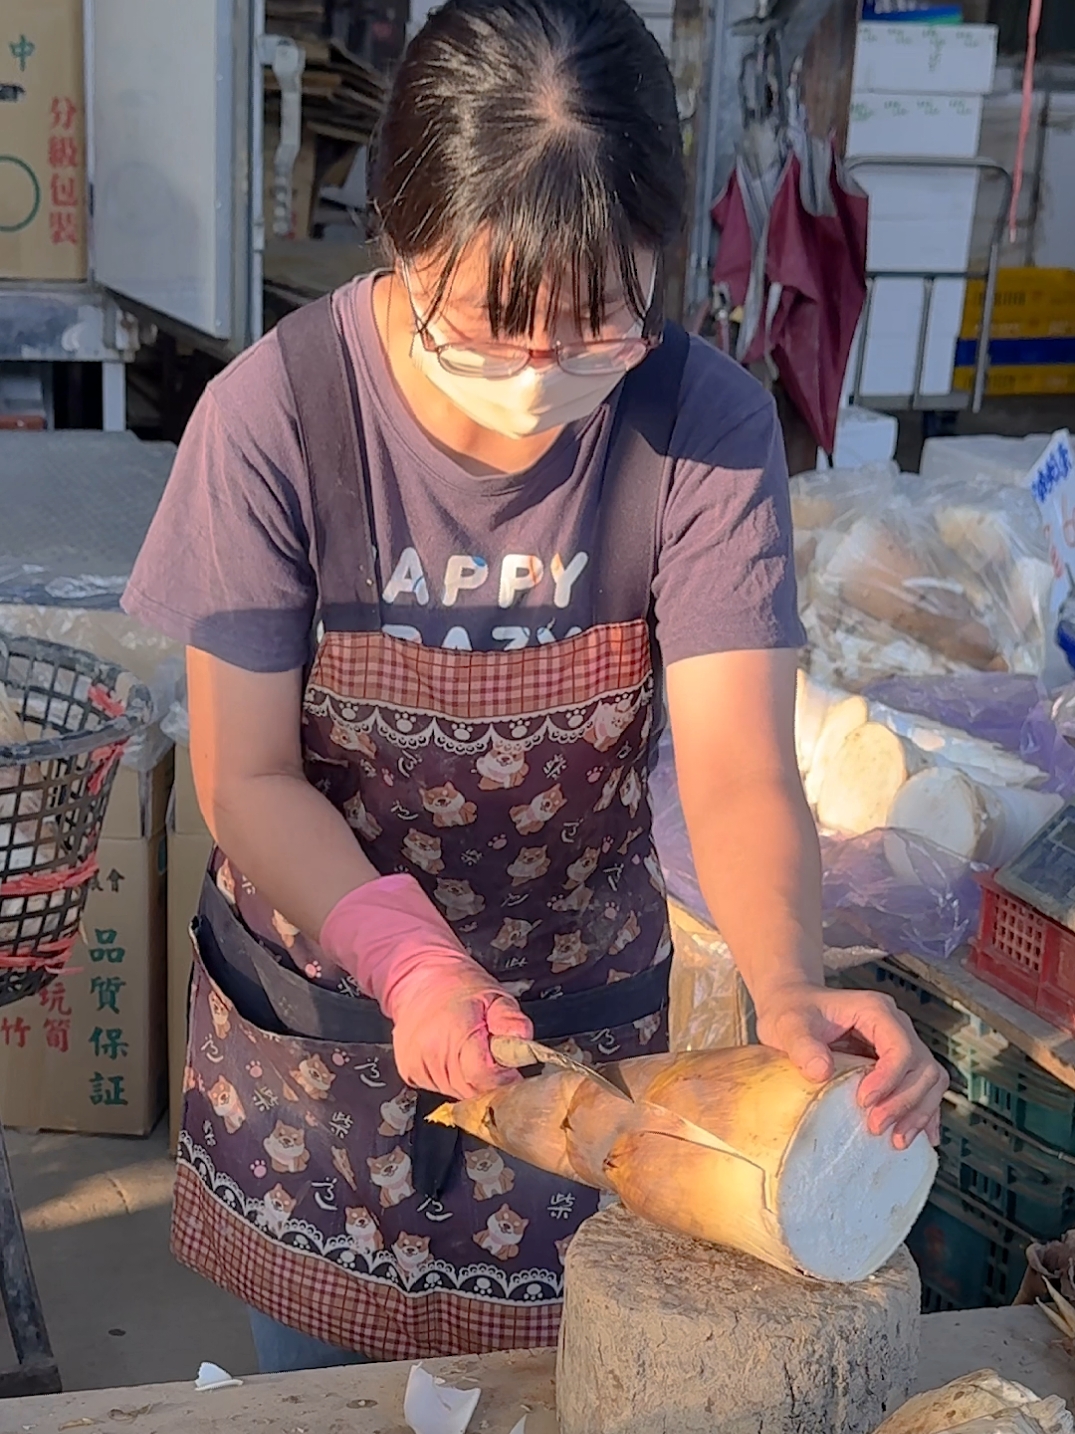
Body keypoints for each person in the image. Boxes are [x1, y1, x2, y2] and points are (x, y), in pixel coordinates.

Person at [124, 0, 947, 1373]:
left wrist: (791, 988)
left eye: (597, 330)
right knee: (318, 1397)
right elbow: (246, 773)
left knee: (560, 1387)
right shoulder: (271, 419)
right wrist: (411, 960)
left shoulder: (703, 426)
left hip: (582, 1050)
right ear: (400, 236)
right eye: (489, 326)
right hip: (321, 1042)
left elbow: (742, 769)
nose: (537, 381)